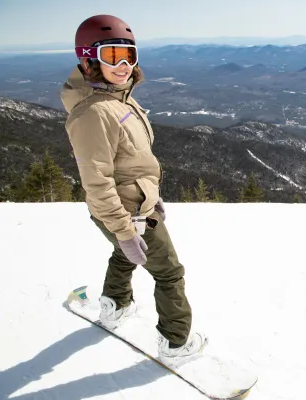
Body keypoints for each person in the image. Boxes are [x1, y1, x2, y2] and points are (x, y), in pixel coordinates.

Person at [60, 14, 206, 366]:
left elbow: (131, 161)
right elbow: (97, 181)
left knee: (126, 253)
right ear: (88, 59)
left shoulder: (116, 100)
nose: (124, 65)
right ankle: (176, 343)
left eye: (129, 55)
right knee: (169, 272)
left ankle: (114, 305)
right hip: (127, 213)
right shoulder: (94, 113)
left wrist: (151, 195)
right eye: (112, 56)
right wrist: (125, 229)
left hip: (136, 206)